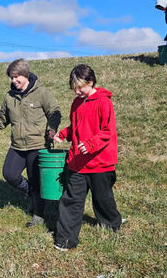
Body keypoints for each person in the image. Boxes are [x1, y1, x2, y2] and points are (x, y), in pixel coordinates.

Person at [0, 59, 62, 228]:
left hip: (38, 145)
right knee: (9, 174)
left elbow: (55, 112)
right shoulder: (10, 97)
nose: (13, 81)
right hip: (17, 146)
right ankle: (31, 193)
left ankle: (39, 214)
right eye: (11, 77)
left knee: (36, 180)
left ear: (26, 75)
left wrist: (52, 129)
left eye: (17, 77)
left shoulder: (42, 92)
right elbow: (1, 119)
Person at [51, 64, 123, 252]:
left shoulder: (103, 102)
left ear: (90, 82)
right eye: (74, 88)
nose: (77, 91)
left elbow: (108, 131)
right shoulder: (77, 102)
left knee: (102, 198)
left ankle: (111, 223)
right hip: (77, 162)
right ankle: (66, 239)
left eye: (80, 87)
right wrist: (64, 134)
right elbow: (76, 126)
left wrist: (91, 144)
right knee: (71, 200)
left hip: (100, 162)